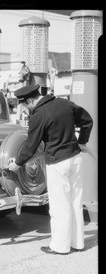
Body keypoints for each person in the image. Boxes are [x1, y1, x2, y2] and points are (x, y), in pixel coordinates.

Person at [8, 84, 93, 255]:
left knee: (59, 206)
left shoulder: (39, 115)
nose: (26, 108)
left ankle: (60, 246)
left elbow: (30, 147)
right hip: (75, 159)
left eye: (25, 105)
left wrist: (16, 164)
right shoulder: (65, 104)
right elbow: (87, 121)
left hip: (57, 163)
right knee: (75, 201)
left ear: (31, 100)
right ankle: (78, 243)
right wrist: (81, 141)